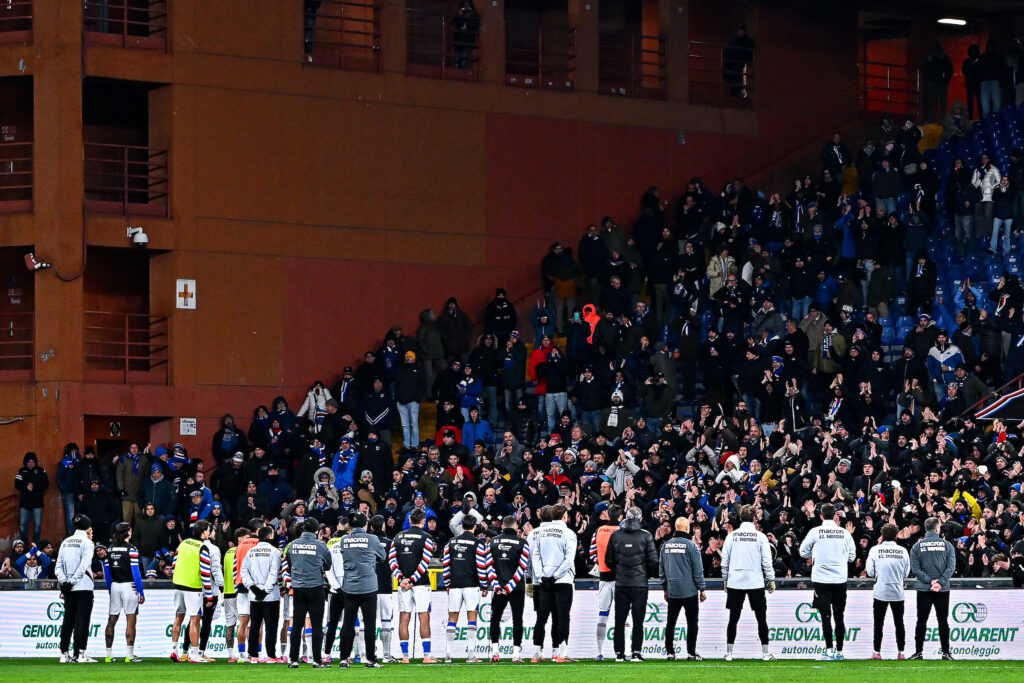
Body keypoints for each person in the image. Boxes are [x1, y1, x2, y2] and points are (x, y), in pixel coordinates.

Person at [799, 503, 856, 661]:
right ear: (835, 516)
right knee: (839, 616)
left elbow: (802, 551)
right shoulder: (844, 533)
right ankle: (840, 652)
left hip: (821, 579)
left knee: (825, 616)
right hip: (839, 579)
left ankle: (829, 651)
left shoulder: (815, 532)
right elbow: (852, 557)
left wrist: (816, 554)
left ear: (821, 516)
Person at [721, 505, 775, 661]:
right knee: (761, 618)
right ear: (754, 518)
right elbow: (767, 561)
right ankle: (765, 653)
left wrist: (725, 578)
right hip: (755, 582)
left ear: (740, 518)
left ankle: (729, 653)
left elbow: (725, 560)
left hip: (735, 581)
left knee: (733, 618)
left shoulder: (731, 536)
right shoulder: (761, 537)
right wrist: (771, 579)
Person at [605, 506, 657, 663]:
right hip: (640, 584)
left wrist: (619, 572)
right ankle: (636, 653)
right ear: (640, 519)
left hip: (621, 583)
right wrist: (645, 575)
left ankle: (619, 654)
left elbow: (608, 560)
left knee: (619, 620)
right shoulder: (646, 535)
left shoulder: (616, 535)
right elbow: (653, 561)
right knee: (638, 621)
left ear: (625, 517)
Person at [338, 511, 386, 668]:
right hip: (368, 586)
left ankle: (344, 658)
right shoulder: (372, 539)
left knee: (348, 623)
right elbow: (383, 556)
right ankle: (371, 659)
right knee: (369, 624)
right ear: (366, 524)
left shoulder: (344, 540)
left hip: (349, 586)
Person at [530, 503, 577, 663]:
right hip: (562, 581)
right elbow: (569, 559)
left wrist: (542, 576)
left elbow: (535, 556)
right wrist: (555, 576)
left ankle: (537, 654)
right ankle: (561, 654)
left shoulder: (541, 532)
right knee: (562, 617)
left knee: (541, 618)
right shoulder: (569, 533)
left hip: (544, 581)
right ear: (564, 516)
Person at [390, 507, 438, 663]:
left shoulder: (397, 537)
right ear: (423, 521)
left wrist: (402, 579)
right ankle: (426, 655)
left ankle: (405, 657)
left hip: (403, 584)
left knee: (404, 618)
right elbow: (425, 561)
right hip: (421, 583)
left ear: (410, 520)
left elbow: (392, 560)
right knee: (424, 617)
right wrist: (413, 579)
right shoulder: (427, 537)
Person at [442, 516, 489, 662]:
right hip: (471, 585)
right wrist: (484, 584)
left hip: (455, 584)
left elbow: (446, 565)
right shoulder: (478, 543)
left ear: (462, 526)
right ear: (475, 527)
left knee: (452, 617)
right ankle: (471, 654)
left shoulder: (451, 542)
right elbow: (481, 566)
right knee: (472, 617)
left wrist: (447, 583)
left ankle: (448, 654)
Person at [286, 518, 332, 668]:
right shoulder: (321, 545)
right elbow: (328, 565)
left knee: (297, 625)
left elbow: (290, 563)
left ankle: (293, 659)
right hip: (316, 587)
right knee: (317, 625)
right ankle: (317, 660)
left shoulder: (292, 545)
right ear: (317, 530)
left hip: (298, 588)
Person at [909, 516, 956, 660]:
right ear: (937, 528)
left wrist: (930, 581)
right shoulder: (947, 545)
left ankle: (918, 652)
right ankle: (946, 652)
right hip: (942, 589)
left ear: (925, 529)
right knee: (943, 621)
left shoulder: (917, 546)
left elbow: (916, 569)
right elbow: (951, 567)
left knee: (921, 621)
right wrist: (940, 582)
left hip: (924, 589)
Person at [659, 517, 707, 661]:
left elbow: (662, 570)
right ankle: (691, 653)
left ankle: (670, 653)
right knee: (692, 623)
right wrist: (702, 588)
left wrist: (665, 588)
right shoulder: (691, 546)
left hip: (672, 590)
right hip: (689, 591)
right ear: (687, 528)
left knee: (671, 622)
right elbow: (698, 569)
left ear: (675, 527)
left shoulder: (665, 545)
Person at [169, 519, 215, 664]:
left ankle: (174, 650)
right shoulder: (202, 547)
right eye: (208, 530)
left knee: (178, 618)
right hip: (193, 588)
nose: (209, 533)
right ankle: (195, 654)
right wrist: (209, 595)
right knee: (195, 620)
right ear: (203, 532)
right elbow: (205, 573)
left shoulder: (183, 543)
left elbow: (174, 564)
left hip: (178, 585)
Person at [486, 515, 530, 662]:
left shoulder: (492, 542)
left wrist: (497, 585)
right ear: (516, 527)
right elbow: (522, 567)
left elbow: (488, 565)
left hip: (498, 587)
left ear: (503, 526)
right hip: (516, 587)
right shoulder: (523, 542)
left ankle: (495, 652)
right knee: (517, 619)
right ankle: (516, 654)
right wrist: (510, 586)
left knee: (495, 618)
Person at [866, 523, 911, 660]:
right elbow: (906, 573)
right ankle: (901, 652)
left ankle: (876, 652)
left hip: (880, 590)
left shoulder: (875, 550)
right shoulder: (903, 551)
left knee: (878, 623)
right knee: (899, 623)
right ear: (896, 535)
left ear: (882, 535)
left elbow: (870, 572)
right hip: (897, 591)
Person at [56, 514, 97, 663]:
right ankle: (80, 653)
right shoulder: (87, 543)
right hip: (83, 586)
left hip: (68, 587)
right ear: (88, 528)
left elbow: (58, 566)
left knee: (68, 620)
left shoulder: (65, 542)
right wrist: (72, 581)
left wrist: (65, 582)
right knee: (83, 620)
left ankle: (64, 654)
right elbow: (83, 566)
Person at [102, 522, 145, 663]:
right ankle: (129, 655)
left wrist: (110, 590)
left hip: (115, 585)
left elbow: (107, 573)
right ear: (128, 532)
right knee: (131, 619)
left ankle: (108, 655)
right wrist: (141, 591)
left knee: (111, 620)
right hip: (129, 586)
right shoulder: (131, 549)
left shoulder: (109, 549)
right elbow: (136, 573)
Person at [240, 525, 284, 663]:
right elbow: (274, 573)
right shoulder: (275, 552)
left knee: (254, 625)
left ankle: (253, 656)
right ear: (270, 536)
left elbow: (243, 571)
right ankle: (271, 655)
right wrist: (265, 591)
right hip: (270, 595)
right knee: (271, 626)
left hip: (254, 595)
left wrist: (253, 588)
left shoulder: (251, 551)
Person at [588, 503, 621, 660]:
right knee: (624, 616)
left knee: (602, 615)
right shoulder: (623, 531)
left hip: (604, 577)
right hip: (620, 578)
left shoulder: (599, 530)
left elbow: (592, 553)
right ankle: (625, 651)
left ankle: (599, 652)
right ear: (620, 516)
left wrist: (601, 563)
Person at [369, 515, 396, 662]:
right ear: (384, 526)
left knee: (367, 622)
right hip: (385, 587)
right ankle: (386, 655)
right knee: (386, 622)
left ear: (371, 527)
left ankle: (365, 655)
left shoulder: (366, 542)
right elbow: (395, 564)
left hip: (368, 588)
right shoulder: (390, 543)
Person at [15, 452, 48, 544]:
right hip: (24, 503)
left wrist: (34, 487)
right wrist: (26, 487)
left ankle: (35, 546)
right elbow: (17, 484)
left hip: (38, 503)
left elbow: (46, 483)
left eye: (33, 461)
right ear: (26, 462)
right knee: (23, 525)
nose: (31, 463)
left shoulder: (41, 470)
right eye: (29, 461)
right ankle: (24, 546)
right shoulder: (21, 471)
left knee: (37, 525)